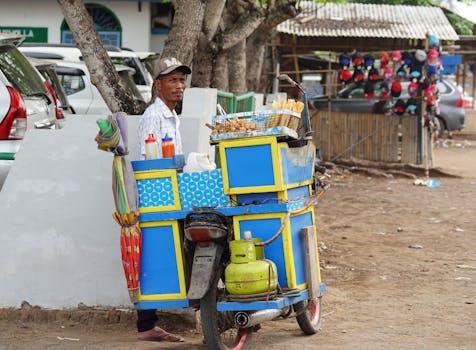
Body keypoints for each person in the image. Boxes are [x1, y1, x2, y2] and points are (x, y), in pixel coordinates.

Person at [135, 56, 191, 342]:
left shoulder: (172, 114)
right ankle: (146, 324)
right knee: (155, 254)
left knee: (165, 252)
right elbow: (148, 160)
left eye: (182, 80)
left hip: (171, 191)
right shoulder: (154, 116)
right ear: (158, 85)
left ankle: (148, 323)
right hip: (158, 193)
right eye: (172, 80)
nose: (179, 85)